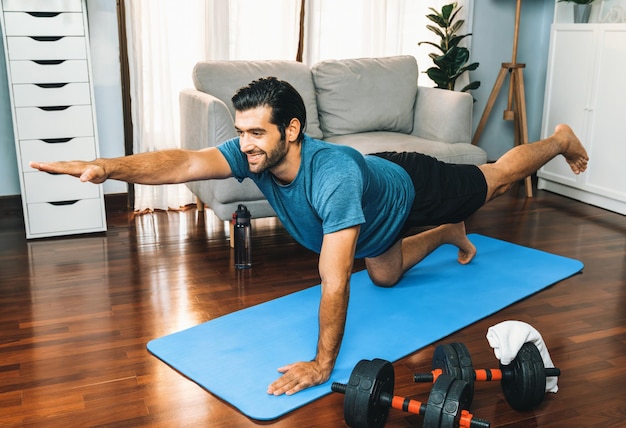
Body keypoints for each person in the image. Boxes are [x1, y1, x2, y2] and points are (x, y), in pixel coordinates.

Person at [30, 77, 589, 396]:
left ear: (291, 131)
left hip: (412, 188)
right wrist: (108, 167)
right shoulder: (252, 156)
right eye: (241, 132)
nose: (244, 144)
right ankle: (446, 236)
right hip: (375, 208)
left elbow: (332, 281)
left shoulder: (333, 178)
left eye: (257, 132)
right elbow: (180, 165)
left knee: (495, 178)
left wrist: (323, 366)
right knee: (387, 275)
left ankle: (558, 139)